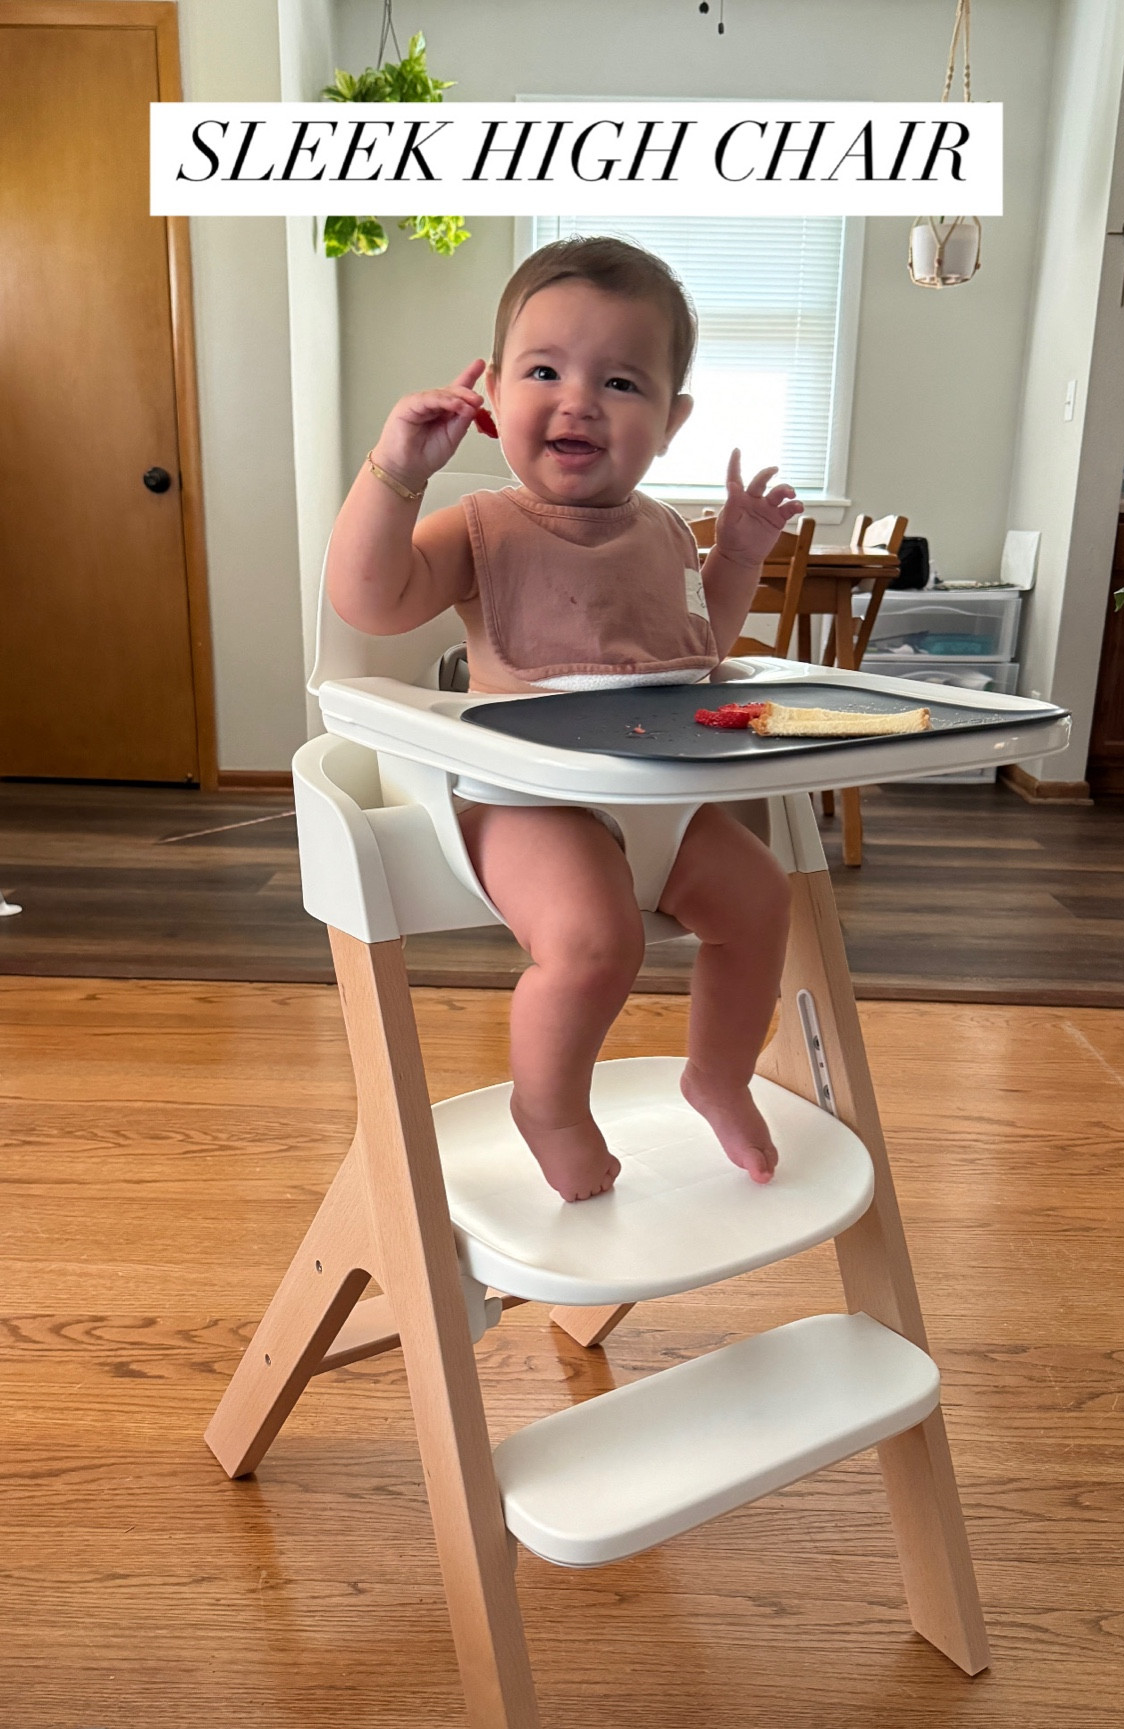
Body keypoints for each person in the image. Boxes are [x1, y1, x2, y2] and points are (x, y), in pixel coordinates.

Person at [327, 237, 802, 1202]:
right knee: (594, 945)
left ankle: (718, 1075)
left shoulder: (665, 528)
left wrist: (741, 552)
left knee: (759, 900)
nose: (578, 399)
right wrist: (394, 473)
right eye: (544, 371)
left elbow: (698, 643)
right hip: (528, 801)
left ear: (670, 422)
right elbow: (368, 600)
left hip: (657, 794)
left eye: (621, 382)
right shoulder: (482, 527)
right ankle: (547, 1106)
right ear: (492, 395)